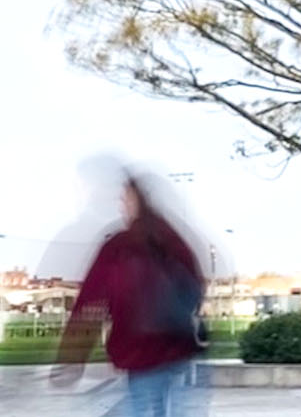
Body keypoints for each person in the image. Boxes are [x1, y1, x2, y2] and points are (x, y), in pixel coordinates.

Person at [53, 174, 208, 416]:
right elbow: (195, 288)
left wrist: (73, 356)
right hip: (180, 351)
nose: (121, 205)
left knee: (142, 407)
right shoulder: (175, 243)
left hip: (142, 353)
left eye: (125, 199)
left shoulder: (119, 247)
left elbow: (90, 302)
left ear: (139, 201)